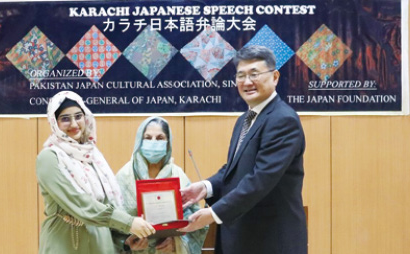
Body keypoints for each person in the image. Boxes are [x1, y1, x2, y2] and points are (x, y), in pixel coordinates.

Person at [179, 45, 308, 254]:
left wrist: (213, 214)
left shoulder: (283, 120)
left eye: (254, 74)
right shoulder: (245, 120)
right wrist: (205, 187)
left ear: (275, 77)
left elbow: (260, 180)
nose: (247, 82)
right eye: (241, 75)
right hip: (242, 237)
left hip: (270, 241)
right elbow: (234, 169)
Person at [36, 91, 155, 254]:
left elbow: (107, 204)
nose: (74, 124)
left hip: (102, 244)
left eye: (78, 116)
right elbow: (79, 203)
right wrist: (128, 222)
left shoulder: (92, 156)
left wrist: (125, 243)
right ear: (54, 122)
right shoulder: (49, 157)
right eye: (65, 118)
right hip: (66, 244)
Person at [114, 116, 208, 254]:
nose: (153, 142)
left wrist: (177, 243)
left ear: (168, 142)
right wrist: (127, 243)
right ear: (140, 140)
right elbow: (111, 224)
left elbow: (195, 224)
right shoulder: (124, 177)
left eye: (159, 138)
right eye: (147, 137)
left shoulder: (179, 176)